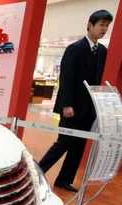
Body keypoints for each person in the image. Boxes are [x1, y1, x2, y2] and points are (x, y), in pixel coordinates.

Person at [38, 9, 113, 192]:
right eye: (101, 24)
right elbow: (66, 78)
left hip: (90, 109)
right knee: (64, 142)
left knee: (79, 145)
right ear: (90, 25)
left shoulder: (102, 51)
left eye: (107, 26)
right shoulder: (75, 48)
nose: (104, 29)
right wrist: (66, 104)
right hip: (72, 107)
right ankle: (38, 173)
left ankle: (64, 179)